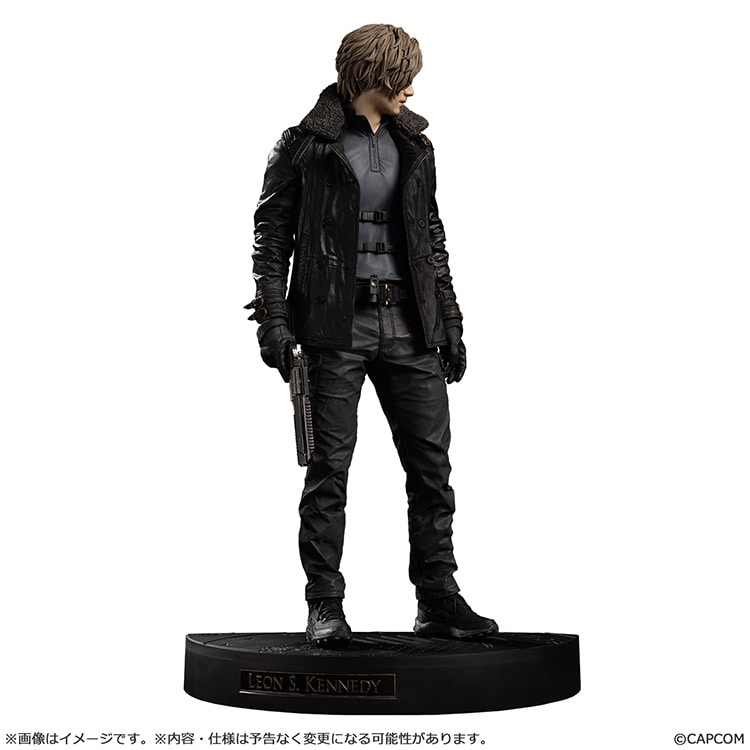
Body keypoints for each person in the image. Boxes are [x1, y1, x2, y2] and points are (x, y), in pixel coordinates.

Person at [247, 23, 497, 645]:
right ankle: (324, 605)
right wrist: (274, 320)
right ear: (372, 76)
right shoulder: (304, 145)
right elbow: (271, 239)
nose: (411, 88)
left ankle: (438, 599)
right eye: (401, 77)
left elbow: (430, 235)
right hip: (334, 327)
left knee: (432, 469)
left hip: (410, 325)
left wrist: (450, 319)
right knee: (328, 470)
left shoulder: (417, 146)